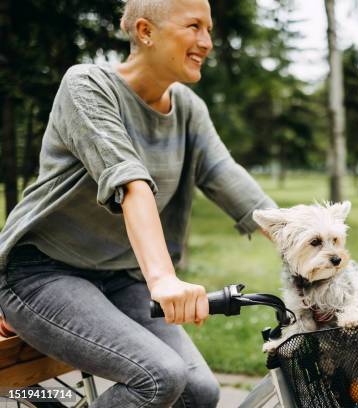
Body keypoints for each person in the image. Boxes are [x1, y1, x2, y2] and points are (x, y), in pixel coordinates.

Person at [0, 0, 276, 406]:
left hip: (120, 276)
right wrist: (163, 279)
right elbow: (130, 181)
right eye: (194, 26)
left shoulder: (187, 109)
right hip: (41, 273)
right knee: (158, 377)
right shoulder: (87, 85)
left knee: (199, 392)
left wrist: (312, 239)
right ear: (145, 32)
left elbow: (232, 181)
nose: (207, 42)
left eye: (210, 29)